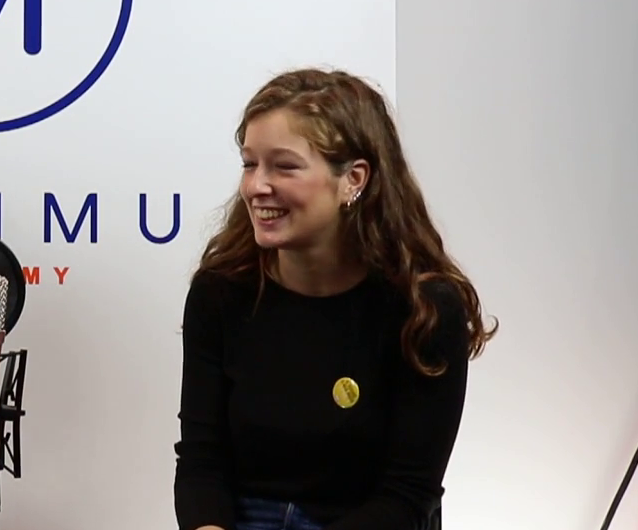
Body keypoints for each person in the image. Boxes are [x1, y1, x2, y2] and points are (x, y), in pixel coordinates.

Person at [172, 68, 498, 530]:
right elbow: (201, 462)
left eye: (284, 166)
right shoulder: (220, 291)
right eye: (249, 164)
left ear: (353, 180)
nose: (256, 186)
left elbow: (408, 494)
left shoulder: (423, 309)